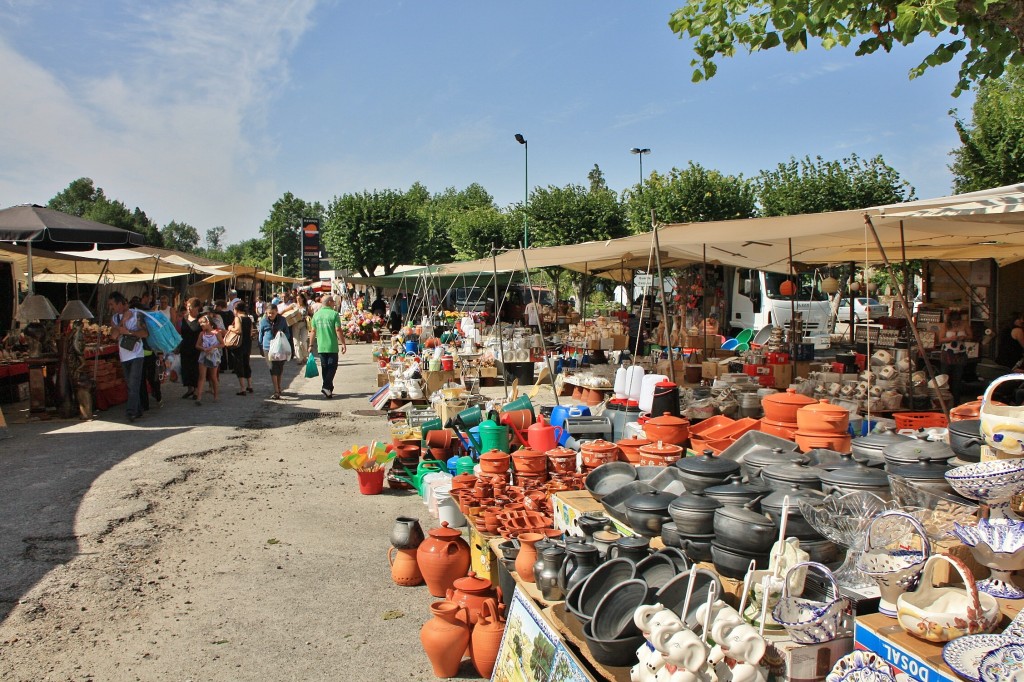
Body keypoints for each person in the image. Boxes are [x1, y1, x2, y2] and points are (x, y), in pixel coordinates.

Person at [107, 291, 149, 423]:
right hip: (124, 355)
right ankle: (138, 409)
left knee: (133, 384)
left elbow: (145, 333)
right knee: (130, 385)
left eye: (112, 304)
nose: (111, 307)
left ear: (120, 303)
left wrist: (129, 332)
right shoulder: (115, 318)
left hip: (137, 354)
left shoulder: (137, 315)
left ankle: (131, 412)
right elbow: (113, 336)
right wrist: (122, 323)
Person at [308, 295, 347, 399]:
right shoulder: (334, 314)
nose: (334, 303)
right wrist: (343, 343)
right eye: (333, 301)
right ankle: (326, 386)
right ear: (329, 302)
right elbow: (338, 330)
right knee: (332, 367)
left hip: (321, 346)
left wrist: (311, 345)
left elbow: (313, 331)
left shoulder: (316, 315)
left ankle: (328, 389)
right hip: (332, 346)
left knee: (325, 368)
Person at [258, 304, 291, 400]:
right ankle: (276, 391)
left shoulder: (282, 320)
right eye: (269, 313)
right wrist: (260, 346)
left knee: (279, 368)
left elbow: (288, 333)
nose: (270, 315)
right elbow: (261, 335)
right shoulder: (263, 321)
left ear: (277, 312)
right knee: (272, 368)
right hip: (268, 348)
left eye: (273, 313)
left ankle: (279, 387)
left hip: (280, 348)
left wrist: (282, 336)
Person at [194, 314, 223, 406]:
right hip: (204, 355)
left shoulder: (216, 333)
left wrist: (214, 347)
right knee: (201, 376)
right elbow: (197, 345)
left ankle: (216, 395)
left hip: (213, 356)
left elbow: (222, 344)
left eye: (203, 323)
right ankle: (199, 397)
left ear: (208, 322)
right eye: (200, 323)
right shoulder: (202, 334)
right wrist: (203, 349)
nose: (201, 325)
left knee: (213, 377)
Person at [179, 298, 202, 400]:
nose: (188, 309)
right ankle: (190, 389)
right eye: (187, 307)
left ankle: (197, 390)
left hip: (197, 348)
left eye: (190, 307)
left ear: (196, 308)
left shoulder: (201, 319)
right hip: (185, 347)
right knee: (186, 369)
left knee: (195, 369)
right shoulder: (184, 318)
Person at [229, 302, 254, 395]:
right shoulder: (249, 319)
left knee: (239, 365)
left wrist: (230, 328)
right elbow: (251, 332)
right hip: (248, 343)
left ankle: (242, 388)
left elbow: (238, 330)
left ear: (237, 310)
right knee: (246, 363)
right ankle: (250, 385)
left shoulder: (238, 318)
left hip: (239, 344)